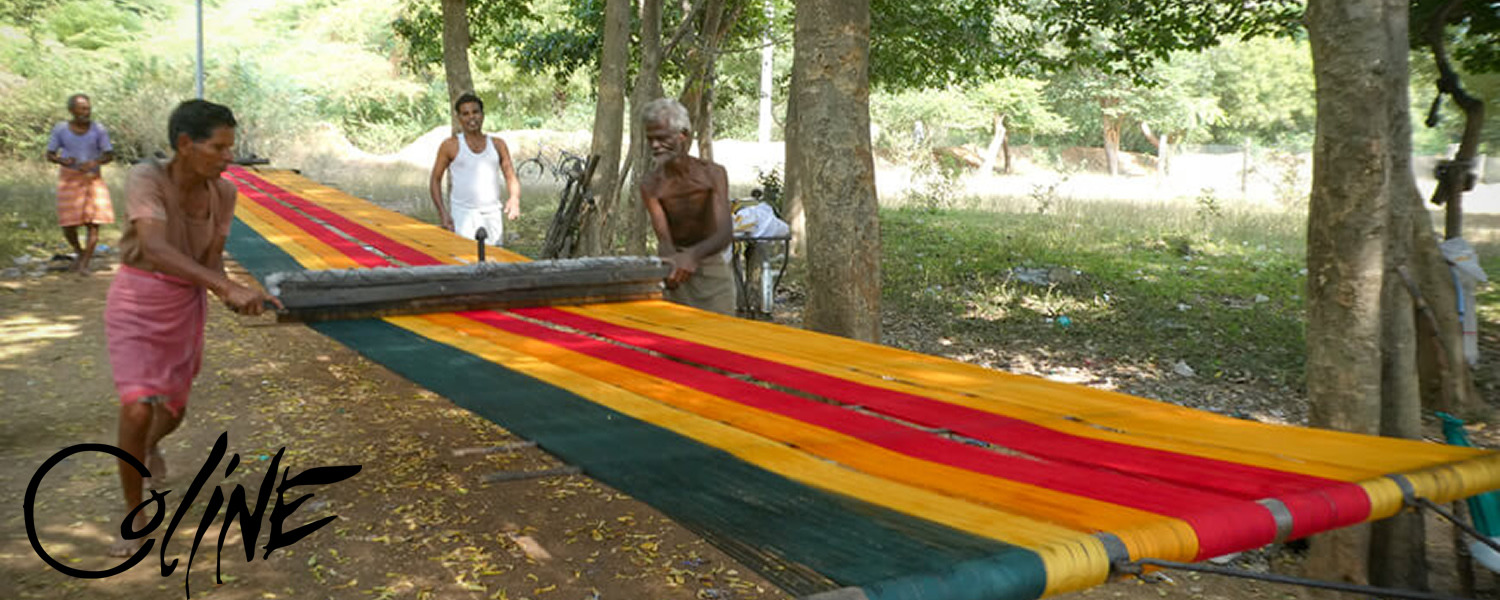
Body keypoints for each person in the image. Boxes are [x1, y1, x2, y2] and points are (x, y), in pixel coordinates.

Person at [104, 99, 281, 556]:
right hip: (137, 300)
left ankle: (144, 451)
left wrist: (243, 295)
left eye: (230, 148)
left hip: (185, 305)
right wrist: (224, 287)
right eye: (219, 148)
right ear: (185, 144)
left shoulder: (224, 193)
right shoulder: (148, 178)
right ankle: (133, 512)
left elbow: (210, 261)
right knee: (138, 406)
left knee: (173, 413)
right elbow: (156, 248)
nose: (228, 157)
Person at [639, 98, 737, 315]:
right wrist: (673, 263)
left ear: (682, 135)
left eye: (662, 138)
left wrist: (692, 257)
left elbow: (724, 232)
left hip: (711, 265)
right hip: (676, 267)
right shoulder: (651, 185)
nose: (655, 145)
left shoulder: (712, 174)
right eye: (650, 139)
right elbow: (664, 239)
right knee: (676, 343)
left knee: (722, 340)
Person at [428, 92, 521, 246]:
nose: (472, 117)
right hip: (462, 214)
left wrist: (514, 199)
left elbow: (510, 176)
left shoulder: (498, 144)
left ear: (482, 115)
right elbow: (435, 180)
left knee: (494, 263)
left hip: (492, 214)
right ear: (459, 118)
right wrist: (443, 213)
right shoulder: (450, 145)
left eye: (475, 112)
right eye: (465, 114)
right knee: (465, 263)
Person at [45, 93, 115, 273]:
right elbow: (50, 154)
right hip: (69, 179)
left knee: (94, 222)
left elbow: (109, 154)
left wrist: (95, 162)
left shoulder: (98, 129)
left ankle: (84, 263)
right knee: (68, 224)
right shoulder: (61, 129)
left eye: (88, 108)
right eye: (82, 108)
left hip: (92, 179)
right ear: (71, 110)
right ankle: (80, 252)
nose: (86, 111)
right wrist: (62, 161)